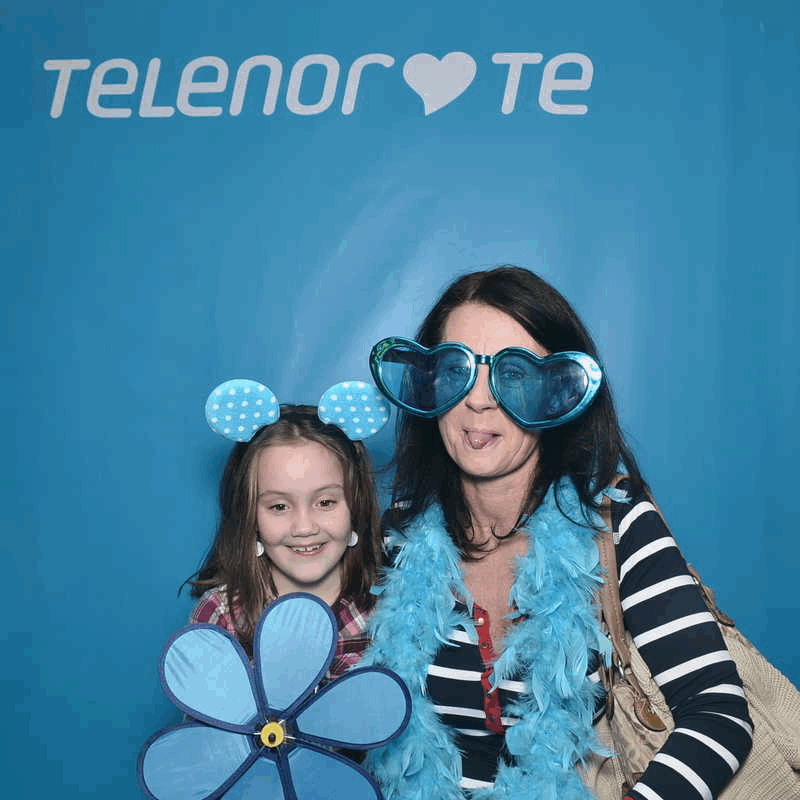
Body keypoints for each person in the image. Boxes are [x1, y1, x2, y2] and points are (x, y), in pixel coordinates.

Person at [362, 266, 753, 800]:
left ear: (559, 392)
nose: (478, 400)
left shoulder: (616, 525)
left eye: (514, 373)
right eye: (456, 369)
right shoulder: (398, 535)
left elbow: (718, 711)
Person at [188, 404, 383, 680]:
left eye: (325, 502)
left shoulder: (391, 609)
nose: (304, 528)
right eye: (279, 507)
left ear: (356, 506)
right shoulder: (222, 615)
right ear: (250, 517)